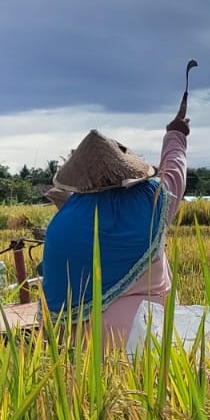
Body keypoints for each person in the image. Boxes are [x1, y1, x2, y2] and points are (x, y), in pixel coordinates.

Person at [40, 92, 189, 352]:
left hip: (73, 346)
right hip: (144, 336)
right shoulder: (150, 199)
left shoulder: (65, 219)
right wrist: (175, 134)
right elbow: (175, 171)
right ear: (128, 170)